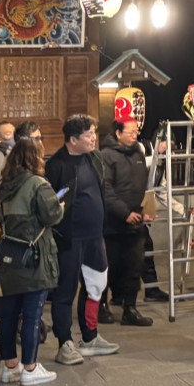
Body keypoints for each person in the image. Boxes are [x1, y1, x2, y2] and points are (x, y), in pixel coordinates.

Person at [43, 114, 121, 365]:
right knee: (65, 290)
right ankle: (64, 342)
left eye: (94, 133)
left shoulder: (94, 158)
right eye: (89, 135)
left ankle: (90, 337)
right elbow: (50, 203)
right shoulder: (56, 164)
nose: (93, 138)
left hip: (95, 236)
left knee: (95, 286)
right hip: (69, 238)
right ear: (73, 139)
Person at [0, 137, 64, 386]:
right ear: (35, 156)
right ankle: (30, 368)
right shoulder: (38, 184)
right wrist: (61, 205)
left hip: (11, 254)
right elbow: (51, 215)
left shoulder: (5, 185)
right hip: (34, 255)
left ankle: (10, 366)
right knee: (33, 314)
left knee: (10, 312)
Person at [101, 118, 153, 328]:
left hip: (136, 222)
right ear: (118, 133)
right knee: (110, 266)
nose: (134, 135)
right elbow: (106, 189)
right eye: (130, 132)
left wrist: (146, 211)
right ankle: (102, 306)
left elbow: (144, 186)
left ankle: (130, 309)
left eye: (136, 132)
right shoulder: (106, 156)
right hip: (112, 224)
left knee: (134, 266)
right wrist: (124, 213)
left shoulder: (137, 153)